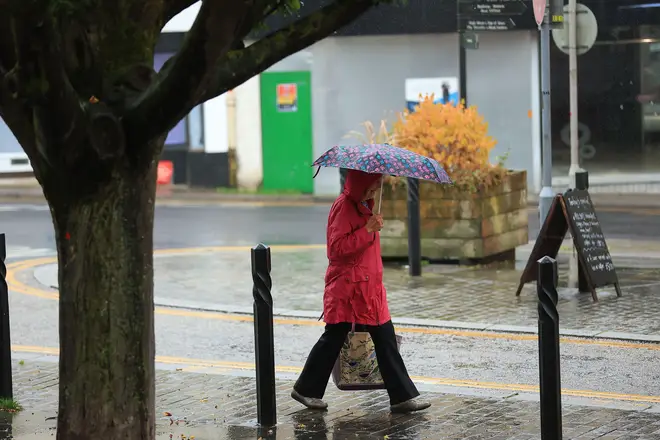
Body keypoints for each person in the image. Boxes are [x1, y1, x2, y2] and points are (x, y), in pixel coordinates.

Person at [291, 169, 431, 414]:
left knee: (385, 338)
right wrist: (367, 229)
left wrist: (371, 225)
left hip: (369, 289)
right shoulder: (344, 207)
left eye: (377, 186)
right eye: (371, 186)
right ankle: (306, 389)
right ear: (359, 184)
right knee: (333, 338)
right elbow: (336, 250)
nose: (375, 190)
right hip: (348, 289)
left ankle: (401, 397)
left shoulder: (366, 205)